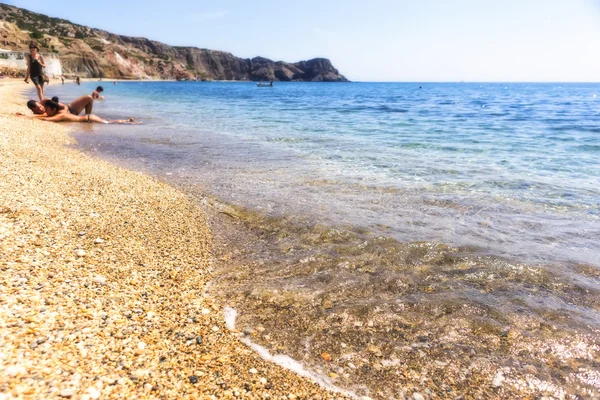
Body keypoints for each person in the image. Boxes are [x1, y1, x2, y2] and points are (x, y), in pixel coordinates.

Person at [18, 99, 139, 124]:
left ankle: (128, 121)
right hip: (88, 117)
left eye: (47, 110)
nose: (45, 111)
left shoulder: (60, 115)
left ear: (53, 109)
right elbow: (46, 116)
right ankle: (128, 120)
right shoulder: (60, 113)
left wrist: (25, 117)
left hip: (88, 119)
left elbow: (47, 119)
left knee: (108, 122)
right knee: (108, 121)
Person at [25, 95, 95, 116]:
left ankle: (87, 116)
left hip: (70, 109)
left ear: (39, 103)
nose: (41, 109)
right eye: (37, 110)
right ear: (33, 110)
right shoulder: (36, 113)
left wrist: (65, 112)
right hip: (65, 115)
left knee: (88, 98)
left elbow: (64, 106)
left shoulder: (46, 101)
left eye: (40, 107)